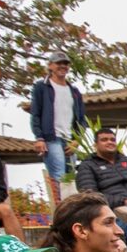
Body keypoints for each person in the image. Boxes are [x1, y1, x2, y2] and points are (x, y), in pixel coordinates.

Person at [29, 50, 87, 186]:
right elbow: (35, 113)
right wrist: (39, 137)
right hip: (52, 138)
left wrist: (77, 140)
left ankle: (71, 206)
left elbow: (82, 119)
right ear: (50, 66)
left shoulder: (74, 91)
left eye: (65, 64)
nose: (63, 66)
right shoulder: (41, 87)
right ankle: (60, 206)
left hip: (70, 140)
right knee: (58, 177)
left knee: (71, 178)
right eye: (58, 63)